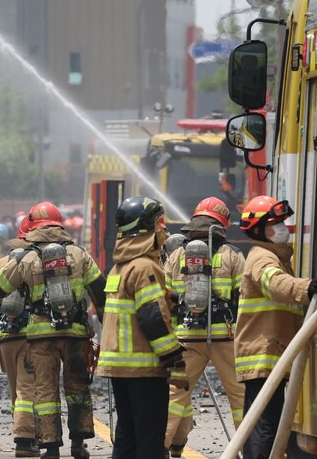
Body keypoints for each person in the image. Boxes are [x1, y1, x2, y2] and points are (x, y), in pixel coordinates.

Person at [0, 201, 106, 459]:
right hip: (76, 334)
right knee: (77, 388)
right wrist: (107, 329)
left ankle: (51, 448)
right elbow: (100, 292)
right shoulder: (79, 255)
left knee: (44, 392)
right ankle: (79, 444)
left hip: (41, 337)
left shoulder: (28, 257)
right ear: (59, 223)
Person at [235, 195, 317, 459]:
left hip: (267, 351)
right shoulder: (262, 258)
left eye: (282, 222)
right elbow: (276, 285)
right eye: (276, 224)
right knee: (266, 424)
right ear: (259, 229)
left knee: (261, 421)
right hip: (261, 353)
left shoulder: (274, 256)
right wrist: (307, 287)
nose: (283, 228)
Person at [97, 196, 185, 459]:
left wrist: (166, 297)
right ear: (150, 228)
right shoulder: (145, 266)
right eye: (161, 223)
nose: (165, 230)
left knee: (127, 436)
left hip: (119, 367)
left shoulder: (119, 269)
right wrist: (174, 359)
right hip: (144, 368)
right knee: (150, 438)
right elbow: (151, 318)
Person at [163, 197, 245, 457]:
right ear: (221, 225)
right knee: (239, 395)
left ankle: (157, 448)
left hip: (187, 335)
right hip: (225, 337)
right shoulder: (232, 255)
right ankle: (249, 450)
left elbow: (164, 295)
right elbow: (244, 294)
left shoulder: (176, 255)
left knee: (175, 394)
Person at [0, 216, 39, 458]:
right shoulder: (38, 262)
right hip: (32, 336)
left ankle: (23, 431)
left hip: (5, 337)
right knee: (29, 388)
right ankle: (25, 440)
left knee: (16, 390)